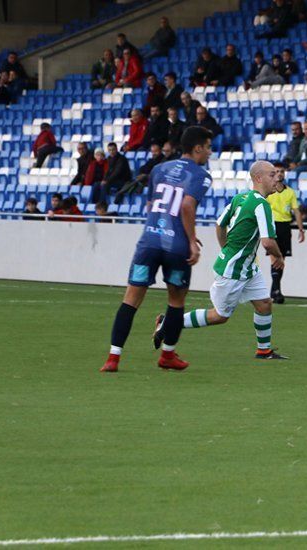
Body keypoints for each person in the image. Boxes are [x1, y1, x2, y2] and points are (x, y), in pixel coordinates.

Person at [100, 126, 214, 373]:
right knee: (175, 300)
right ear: (197, 148)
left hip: (149, 242)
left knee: (131, 298)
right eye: (208, 147)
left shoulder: (159, 169)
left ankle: (113, 357)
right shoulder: (202, 175)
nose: (210, 152)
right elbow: (186, 205)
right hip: (176, 247)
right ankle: (167, 355)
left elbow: (152, 204)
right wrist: (192, 239)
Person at [161, 160, 287, 360]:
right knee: (219, 316)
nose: (277, 177)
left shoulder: (240, 197)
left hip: (246, 268)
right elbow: (267, 242)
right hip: (234, 270)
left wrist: (226, 249)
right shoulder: (262, 205)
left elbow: (220, 225)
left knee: (264, 303)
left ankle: (264, 350)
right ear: (259, 178)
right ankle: (168, 322)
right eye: (272, 175)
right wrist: (279, 256)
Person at [267, 163, 305, 303]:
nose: (279, 174)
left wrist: (301, 229)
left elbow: (296, 211)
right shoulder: (269, 192)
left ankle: (275, 291)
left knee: (281, 260)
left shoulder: (290, 192)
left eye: (281, 171)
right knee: (274, 258)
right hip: (272, 226)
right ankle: (277, 291)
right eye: (276, 171)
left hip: (285, 227)